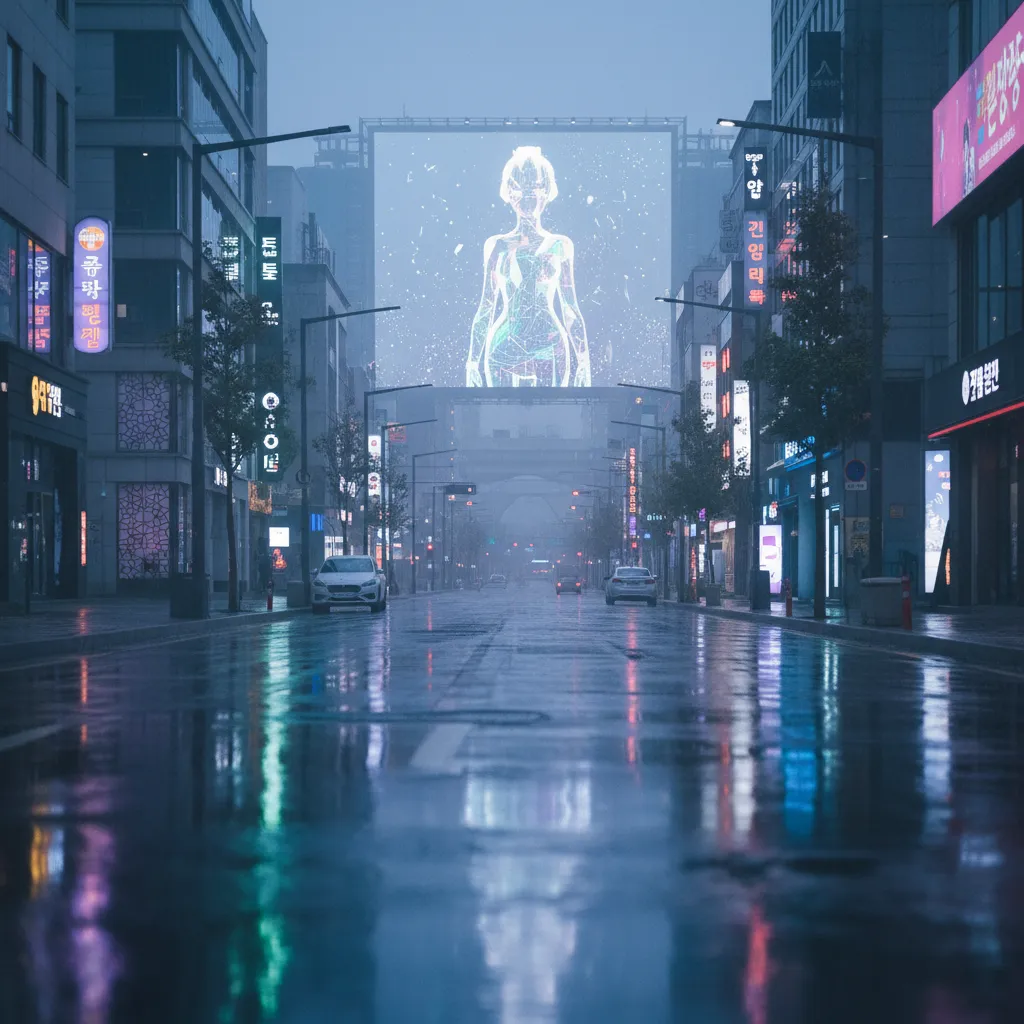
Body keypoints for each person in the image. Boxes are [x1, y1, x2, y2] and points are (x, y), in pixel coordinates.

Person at [466, 146, 591, 388]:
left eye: (535, 187)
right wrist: (472, 361)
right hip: (504, 346)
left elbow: (570, 309)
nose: (527, 196)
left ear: (546, 191)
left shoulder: (560, 246)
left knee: (554, 409)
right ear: (509, 192)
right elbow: (486, 307)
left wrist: (584, 361)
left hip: (549, 345)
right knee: (498, 409)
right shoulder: (497, 246)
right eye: (519, 188)